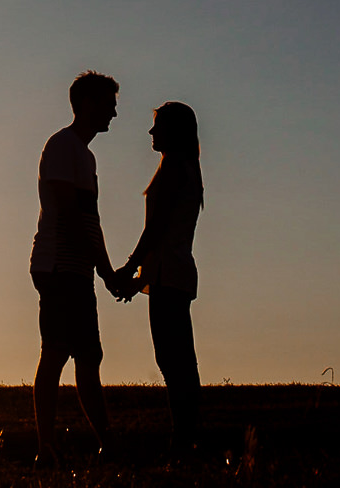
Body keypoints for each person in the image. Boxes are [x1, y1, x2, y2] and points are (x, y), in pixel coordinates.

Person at [29, 70, 129, 458]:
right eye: (109, 105)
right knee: (55, 352)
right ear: (88, 104)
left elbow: (90, 221)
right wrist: (105, 271)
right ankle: (46, 447)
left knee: (89, 355)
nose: (114, 114)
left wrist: (104, 271)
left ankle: (107, 443)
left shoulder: (85, 156)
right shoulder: (61, 147)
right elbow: (70, 216)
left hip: (78, 269)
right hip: (57, 267)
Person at [115, 101, 204, 450]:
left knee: (173, 359)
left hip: (169, 275)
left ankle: (184, 438)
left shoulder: (173, 169)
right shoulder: (186, 169)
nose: (151, 133)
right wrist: (139, 279)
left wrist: (129, 266)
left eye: (158, 126)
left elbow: (155, 230)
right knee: (177, 357)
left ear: (173, 131)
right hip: (173, 274)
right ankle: (185, 436)